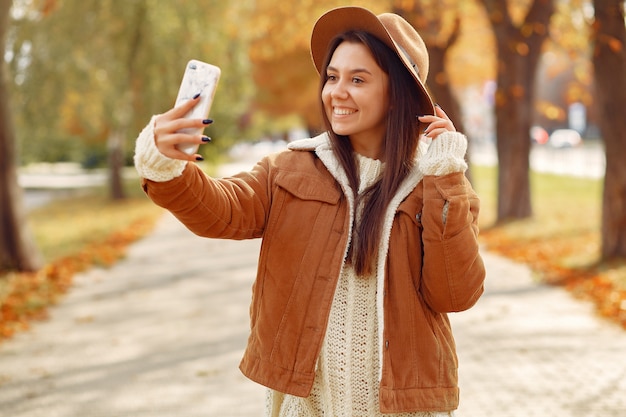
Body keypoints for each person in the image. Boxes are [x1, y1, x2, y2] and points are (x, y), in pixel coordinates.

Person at [134, 6, 485, 417]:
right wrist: (165, 163)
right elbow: (220, 211)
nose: (337, 91)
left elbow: (455, 293)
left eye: (358, 79)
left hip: (403, 407)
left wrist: (444, 177)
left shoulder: (437, 184)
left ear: (397, 95)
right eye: (332, 77)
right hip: (309, 405)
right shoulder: (290, 167)